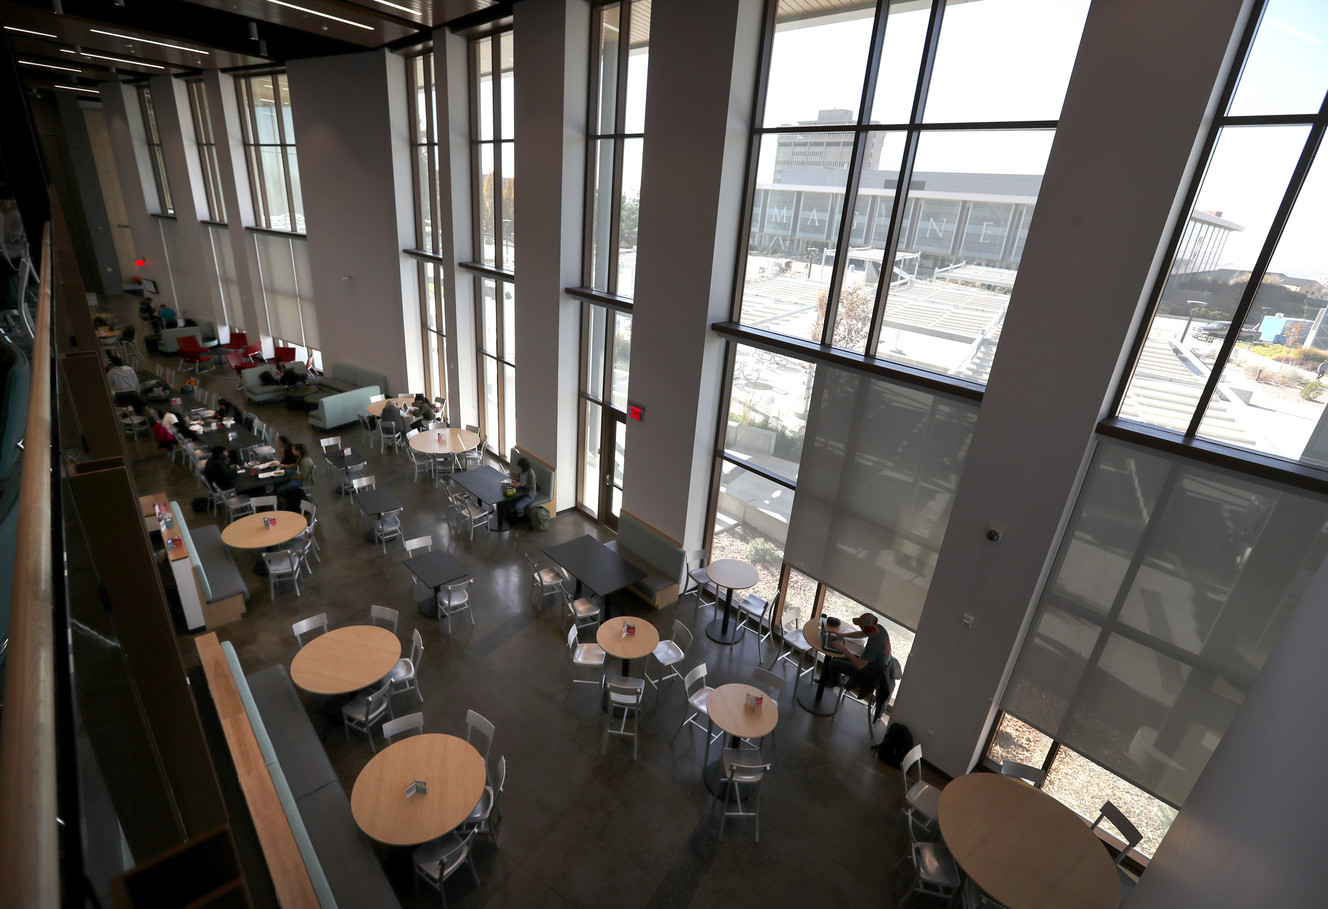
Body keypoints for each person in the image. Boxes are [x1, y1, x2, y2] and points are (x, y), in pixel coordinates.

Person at [822, 613, 890, 696]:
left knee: (833, 663)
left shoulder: (874, 645)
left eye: (861, 626)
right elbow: (862, 634)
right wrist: (842, 635)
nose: (860, 627)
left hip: (868, 673)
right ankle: (831, 680)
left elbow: (859, 665)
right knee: (837, 655)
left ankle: (835, 683)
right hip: (872, 663)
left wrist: (843, 649)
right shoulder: (879, 628)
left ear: (868, 629)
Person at [277, 443, 314, 508]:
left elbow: (303, 476)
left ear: (298, 451)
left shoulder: (305, 461)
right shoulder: (301, 457)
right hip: (299, 475)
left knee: (281, 489)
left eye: (293, 450)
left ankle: (285, 500)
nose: (292, 451)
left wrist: (291, 478)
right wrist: (284, 466)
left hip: (303, 481)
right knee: (285, 472)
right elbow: (295, 465)